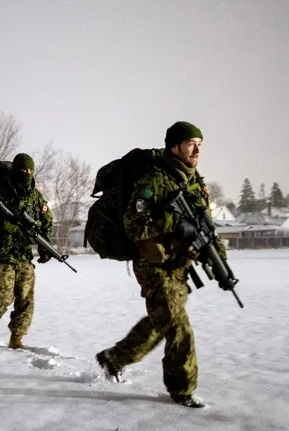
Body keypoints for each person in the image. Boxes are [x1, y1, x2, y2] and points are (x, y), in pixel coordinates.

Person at [95, 121, 225, 409]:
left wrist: (220, 264)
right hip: (152, 265)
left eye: (200, 144)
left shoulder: (195, 182)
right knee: (178, 326)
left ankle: (114, 358)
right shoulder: (153, 181)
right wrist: (174, 223)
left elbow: (206, 230)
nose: (197, 150)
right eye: (190, 144)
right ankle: (183, 390)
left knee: (160, 321)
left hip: (179, 265)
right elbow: (134, 224)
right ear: (174, 147)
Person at [0, 153, 53, 349]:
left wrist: (45, 245)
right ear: (16, 170)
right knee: (1, 299)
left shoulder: (36, 196)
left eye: (30, 170)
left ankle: (16, 338)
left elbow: (47, 221)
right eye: (23, 170)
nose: (27, 173)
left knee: (26, 300)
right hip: (1, 255)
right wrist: (5, 226)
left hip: (24, 256)